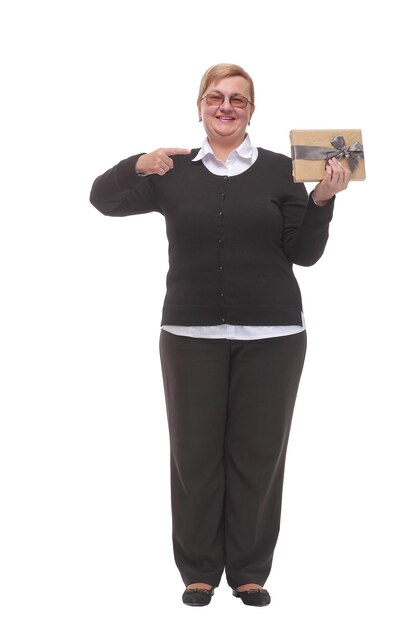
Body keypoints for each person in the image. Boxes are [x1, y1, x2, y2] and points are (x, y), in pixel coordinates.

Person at [89, 63, 350, 607]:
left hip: (274, 334)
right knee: (195, 454)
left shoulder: (284, 170)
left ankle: (250, 570)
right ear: (201, 105)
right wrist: (136, 163)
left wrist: (323, 201)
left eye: (238, 99)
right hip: (188, 333)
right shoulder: (172, 170)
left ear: (252, 110)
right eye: (215, 97)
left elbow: (304, 253)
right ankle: (199, 570)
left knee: (258, 455)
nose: (226, 106)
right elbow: (102, 199)